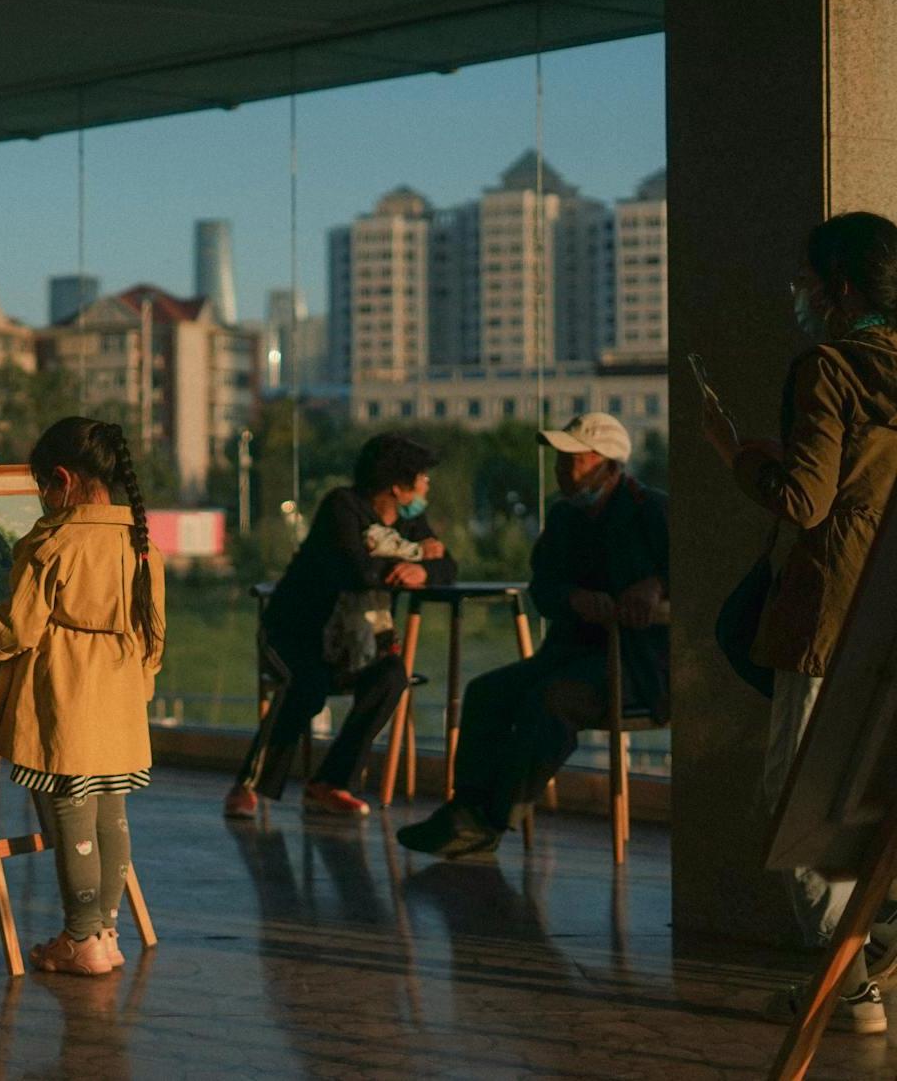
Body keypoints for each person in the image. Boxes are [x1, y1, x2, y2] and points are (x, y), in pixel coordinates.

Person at [704, 210, 897, 1034]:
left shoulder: (830, 367)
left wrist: (733, 452)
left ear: (841, 288)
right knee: (876, 796)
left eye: (810, 281)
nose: (804, 295)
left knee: (800, 802)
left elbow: (804, 499)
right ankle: (867, 951)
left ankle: (846, 984)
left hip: (829, 616)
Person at [398, 412, 667, 859]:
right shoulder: (564, 518)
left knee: (552, 700)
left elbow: (698, 578)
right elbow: (544, 588)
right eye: (561, 459)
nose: (562, 469)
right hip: (569, 654)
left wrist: (658, 585)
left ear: (607, 464)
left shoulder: (653, 512)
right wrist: (575, 600)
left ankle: (490, 820)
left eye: (573, 459)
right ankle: (465, 808)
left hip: (637, 664)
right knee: (486, 692)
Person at [0, 417, 165, 977]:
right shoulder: (141, 539)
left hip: (67, 696)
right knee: (112, 814)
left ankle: (80, 939)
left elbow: (18, 630)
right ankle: (105, 932)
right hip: (121, 695)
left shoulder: (51, 542)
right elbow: (155, 634)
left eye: (41, 488)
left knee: (71, 816)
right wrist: (138, 686)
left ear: (60, 480)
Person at [224, 433, 456, 820]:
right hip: (295, 635)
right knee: (306, 683)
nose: (426, 486)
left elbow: (447, 566)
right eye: (421, 478)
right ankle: (248, 785)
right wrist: (411, 562)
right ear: (397, 487)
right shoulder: (342, 506)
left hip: (357, 646)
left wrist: (421, 569)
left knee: (391, 676)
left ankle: (330, 782)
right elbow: (356, 570)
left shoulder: (410, 522)